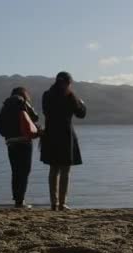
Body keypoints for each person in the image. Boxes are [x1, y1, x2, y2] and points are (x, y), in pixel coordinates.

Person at [40, 72, 86, 211]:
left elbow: (46, 112)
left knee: (53, 170)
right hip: (66, 135)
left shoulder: (46, 95)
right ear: (68, 82)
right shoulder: (70, 96)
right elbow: (81, 114)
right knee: (65, 171)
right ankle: (62, 203)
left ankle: (53, 203)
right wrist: (82, 103)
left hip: (51, 135)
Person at [0, 87, 40, 208]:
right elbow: (35, 117)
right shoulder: (22, 102)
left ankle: (17, 199)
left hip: (11, 142)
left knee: (15, 171)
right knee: (24, 171)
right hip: (24, 142)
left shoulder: (5, 106)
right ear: (24, 94)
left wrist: (9, 135)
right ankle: (20, 201)